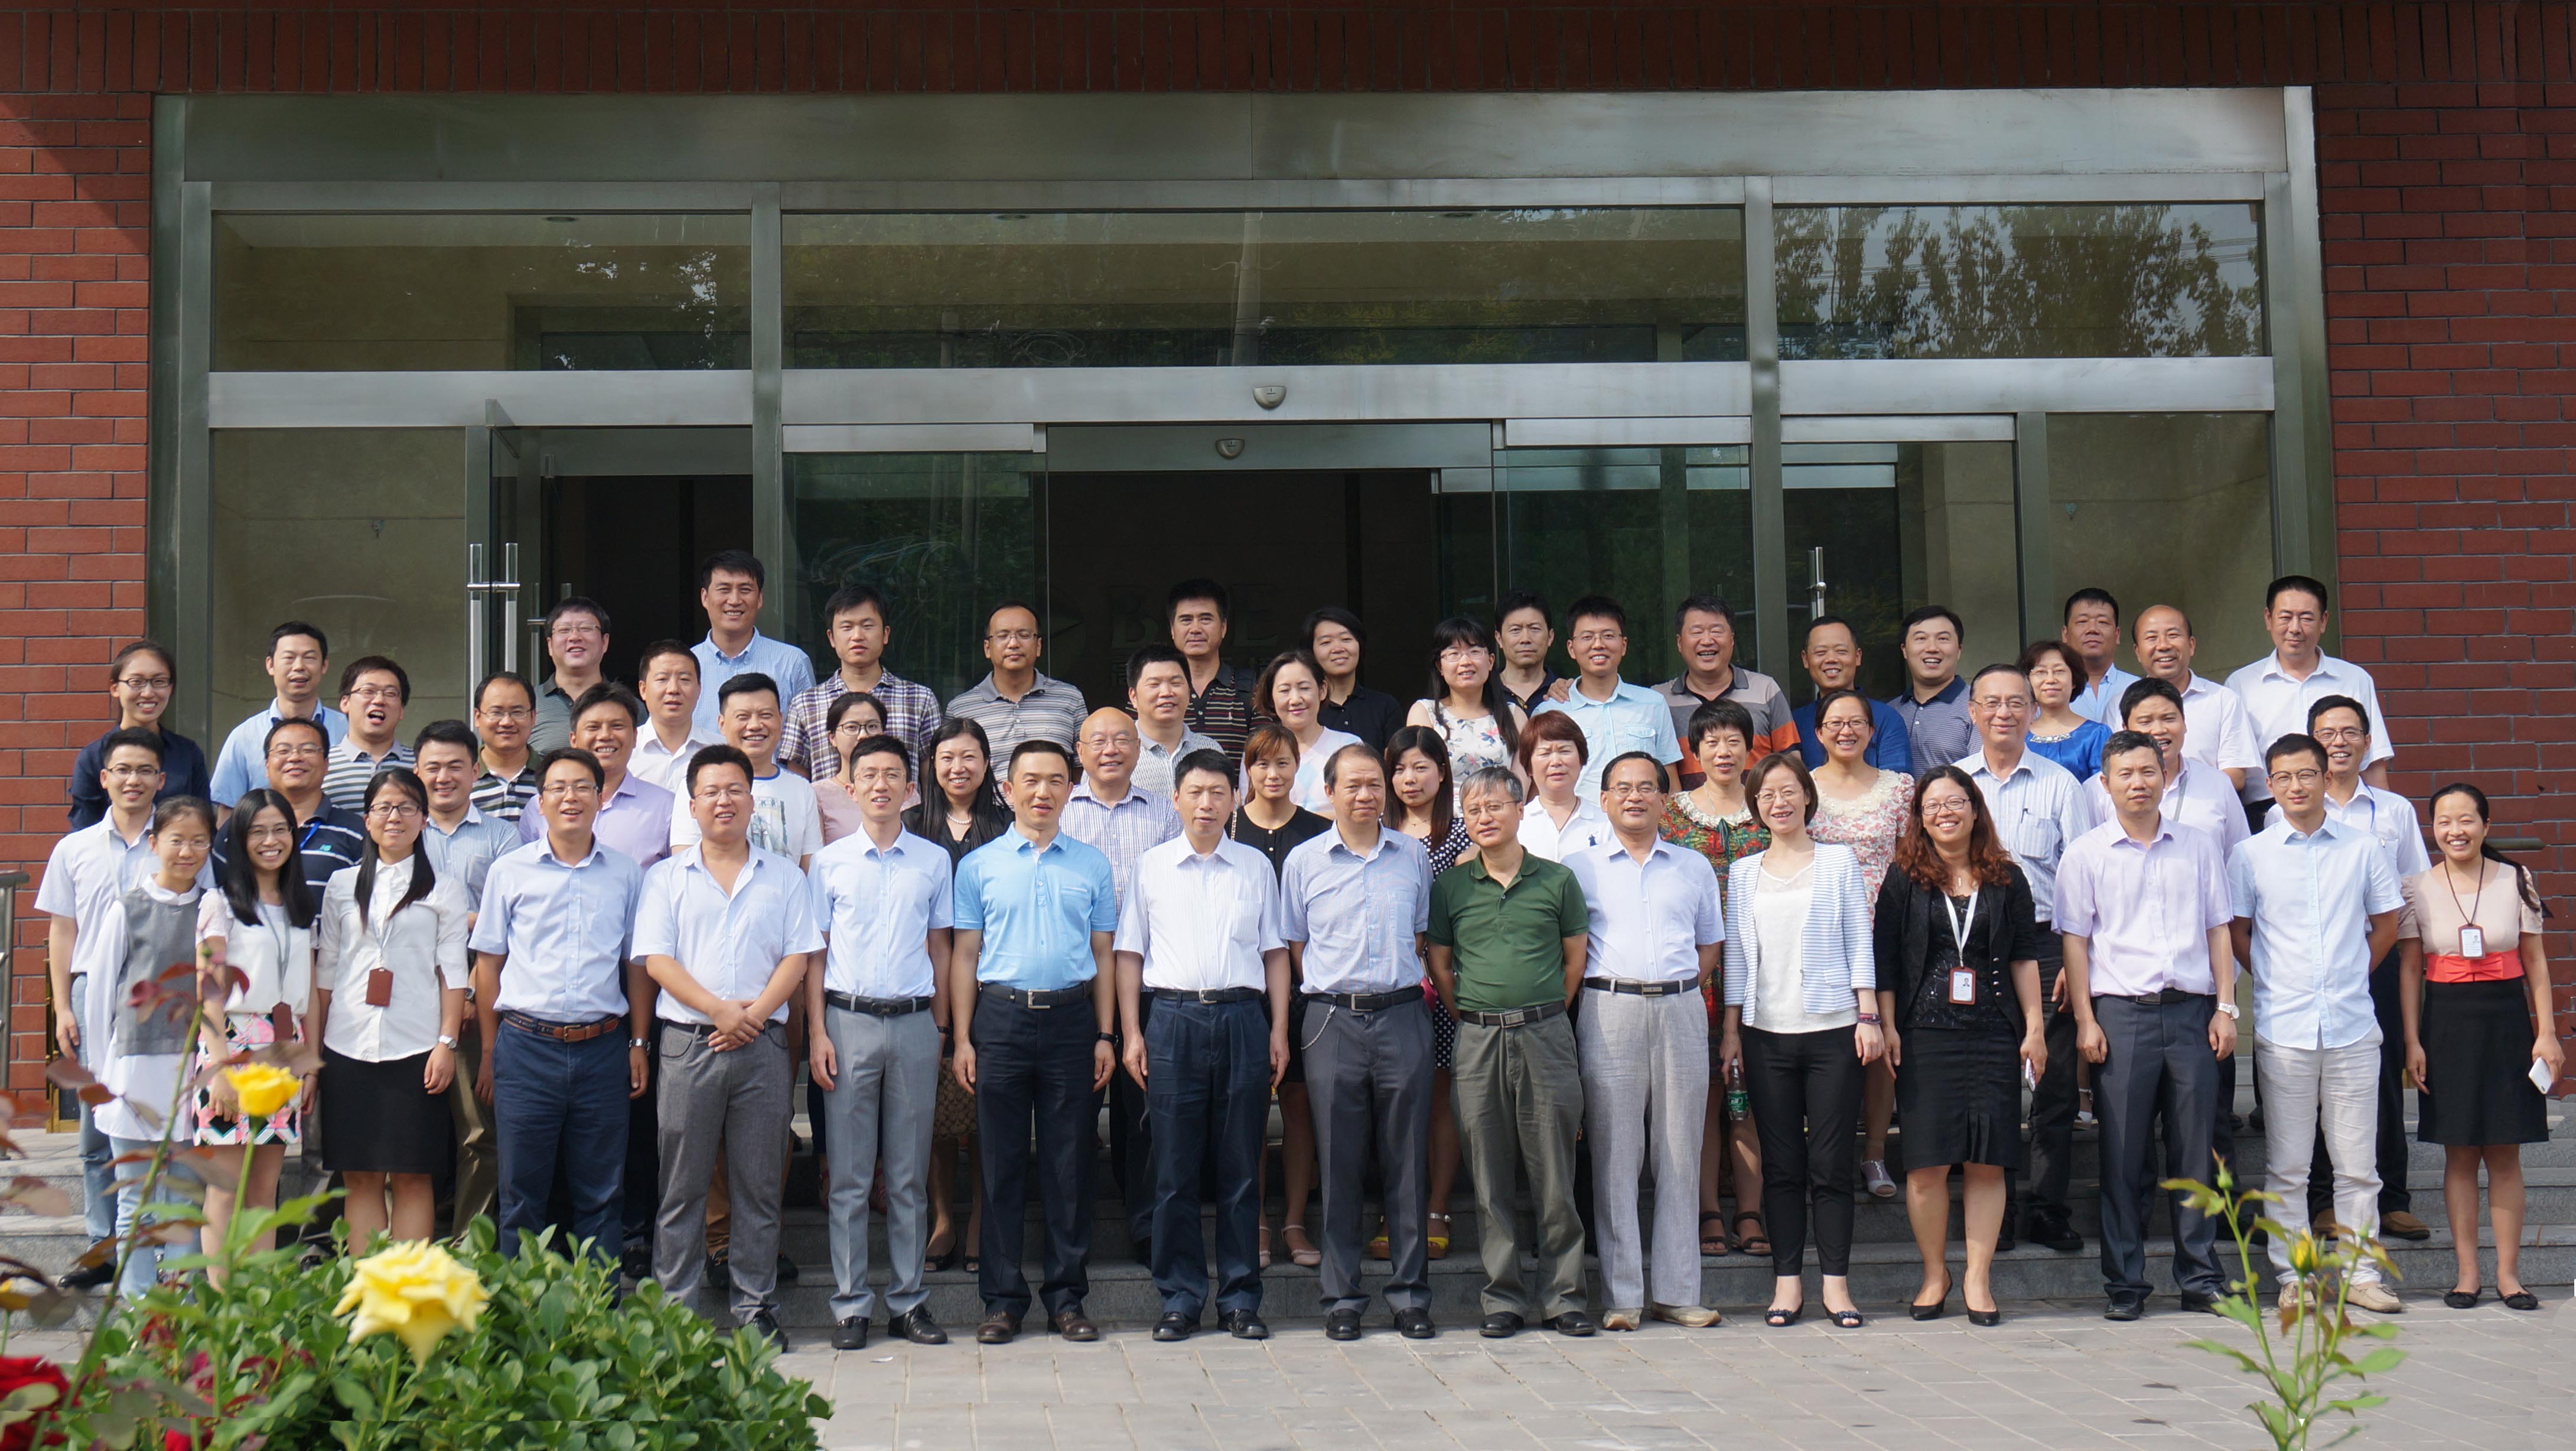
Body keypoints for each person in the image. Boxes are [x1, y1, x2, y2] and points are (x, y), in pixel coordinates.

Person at [636, 744, 819, 1350]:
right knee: (681, 1186)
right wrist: (718, 1010)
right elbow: (657, 959)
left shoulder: (785, 876)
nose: (723, 800)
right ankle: (674, 1313)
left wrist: (753, 1014)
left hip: (763, 1044)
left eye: (735, 789)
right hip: (688, 1044)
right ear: (692, 805)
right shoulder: (666, 877)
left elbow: (798, 955)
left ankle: (755, 1306)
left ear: (751, 800)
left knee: (758, 1185)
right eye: (711, 791)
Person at [2058, 730, 2238, 1320]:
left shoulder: (2197, 846)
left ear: (2165, 776)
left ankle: (2200, 1277)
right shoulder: (2085, 853)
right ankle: (2125, 1284)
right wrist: (2085, 1019)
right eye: (2125, 773)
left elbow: (2218, 929)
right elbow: (2075, 941)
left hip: (2191, 1013)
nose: (2138, 783)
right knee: (2122, 1154)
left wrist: (2226, 1007)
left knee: (2195, 1152)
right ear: (2104, 783)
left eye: (2147, 771)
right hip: (2120, 1015)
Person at [2227, 734, 2407, 1315]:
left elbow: (2385, 924)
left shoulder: (2362, 848)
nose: (2296, 786)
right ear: (2270, 784)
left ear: (2324, 776)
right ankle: (2294, 1274)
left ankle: (2360, 1273)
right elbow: (2237, 930)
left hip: (2352, 1025)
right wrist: (2273, 977)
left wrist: (2350, 972)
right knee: (2288, 1164)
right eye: (2283, 777)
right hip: (2284, 1028)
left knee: (2357, 1164)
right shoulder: (2250, 854)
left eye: (2306, 774)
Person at [1113, 750, 1290, 1342]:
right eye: (1195, 792)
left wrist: (1277, 1029)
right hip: (1172, 1019)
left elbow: (1274, 953)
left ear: (1234, 799)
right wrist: (1131, 1032)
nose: (1206, 803)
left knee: (1240, 1166)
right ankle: (1180, 1298)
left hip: (1242, 1017)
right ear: (1176, 799)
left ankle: (1239, 1298)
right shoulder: (1151, 866)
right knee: (1173, 1169)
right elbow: (1129, 954)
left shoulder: (1254, 867)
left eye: (1218, 792)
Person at [949, 739, 1119, 1346]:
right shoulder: (978, 866)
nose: (1042, 791)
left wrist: (1105, 1034)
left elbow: (1103, 953)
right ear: (1008, 788)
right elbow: (964, 955)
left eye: (1054, 780)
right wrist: (962, 1037)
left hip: (1072, 1020)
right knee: (998, 1163)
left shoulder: (1092, 865)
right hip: (1000, 1020)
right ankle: (1001, 1301)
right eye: (1030, 780)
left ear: (1070, 789)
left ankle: (1067, 1297)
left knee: (1069, 1162)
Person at [1874, 767, 2047, 1326]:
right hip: (1924, 1033)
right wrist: (1888, 1025)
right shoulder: (1904, 877)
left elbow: (2023, 956)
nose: (1944, 813)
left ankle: (1977, 1276)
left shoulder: (2007, 878)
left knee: (1987, 1161)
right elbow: (1885, 960)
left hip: (1993, 1032)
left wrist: (2034, 1027)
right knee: (1926, 1165)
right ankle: (1934, 1274)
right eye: (1932, 806)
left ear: (1975, 809)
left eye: (1954, 802)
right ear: (1919, 819)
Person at [1428, 767, 1594, 1339]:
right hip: (1477, 1039)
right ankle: (1501, 1297)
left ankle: (1564, 1297)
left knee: (1554, 1174)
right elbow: (1440, 964)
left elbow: (1574, 959)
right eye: (1473, 809)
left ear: (1520, 809)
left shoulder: (1557, 880)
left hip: (1546, 1034)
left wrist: (1542, 1010)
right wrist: (1473, 1014)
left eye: (1495, 805)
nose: (1485, 817)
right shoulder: (1450, 887)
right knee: (1488, 1175)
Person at [1281, 743, 1439, 1341]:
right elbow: (1296, 943)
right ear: (1328, 792)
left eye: (1374, 783)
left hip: (1401, 1014)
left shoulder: (1412, 855)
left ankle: (1409, 1295)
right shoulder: (1303, 860)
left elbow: (1420, 934)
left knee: (1407, 1161)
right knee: (1338, 1160)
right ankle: (1341, 1297)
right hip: (1331, 1021)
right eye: (1352, 785)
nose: (1365, 794)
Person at [470, 747, 651, 1261]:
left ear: (600, 797)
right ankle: (522, 1303)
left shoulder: (626, 873)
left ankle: (599, 1304)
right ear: (541, 801)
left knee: (602, 1193)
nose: (571, 798)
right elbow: (489, 965)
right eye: (558, 788)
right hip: (526, 1047)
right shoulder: (511, 871)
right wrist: (490, 1049)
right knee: (522, 1193)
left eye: (582, 787)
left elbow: (635, 965)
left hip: (602, 1048)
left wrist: (638, 1042)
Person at [1719, 753, 1879, 1330]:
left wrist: (1867, 1015)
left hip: (1832, 1030)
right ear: (1755, 807)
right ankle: (1786, 1282)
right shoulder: (1744, 872)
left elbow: (1858, 937)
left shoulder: (1837, 861)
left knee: (1831, 1164)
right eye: (1766, 795)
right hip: (1766, 1034)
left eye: (1787, 791)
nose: (1778, 802)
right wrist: (1731, 1031)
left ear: (1807, 797)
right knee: (1781, 1165)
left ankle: (1835, 1284)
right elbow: (1736, 957)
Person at [1566, 752, 1724, 1331]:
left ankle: (1678, 1292)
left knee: (1679, 1149)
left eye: (1646, 787)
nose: (1634, 796)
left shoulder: (1691, 865)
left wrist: (1677, 988)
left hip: (1681, 1006)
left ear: (1664, 799)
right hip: (1609, 1007)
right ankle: (1623, 1296)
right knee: (1615, 1154)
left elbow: (1709, 942)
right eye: (1622, 788)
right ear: (1604, 799)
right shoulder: (1577, 868)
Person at [810, 733, 956, 1350]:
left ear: (910, 788)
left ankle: (908, 1301)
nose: (880, 785)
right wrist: (816, 1030)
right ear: (850, 787)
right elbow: (815, 954)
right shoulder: (829, 862)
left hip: (915, 1022)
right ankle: (850, 1306)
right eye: (868, 774)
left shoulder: (933, 860)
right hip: (847, 1023)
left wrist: (942, 1028)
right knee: (848, 1176)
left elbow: (941, 947)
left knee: (907, 1175)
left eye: (892, 774)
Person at [2398, 782, 2561, 1312]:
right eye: (2444, 821)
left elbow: (2535, 961)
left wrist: (2546, 1032)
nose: (2455, 830)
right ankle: (2466, 1274)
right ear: (2432, 831)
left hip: (2507, 1022)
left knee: (2505, 1152)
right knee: (2460, 1152)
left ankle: (2509, 1276)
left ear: (2485, 826)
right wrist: (2411, 1039)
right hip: (2445, 1023)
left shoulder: (2515, 879)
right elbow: (2409, 969)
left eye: (2466, 820)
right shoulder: (2416, 888)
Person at [1955, 663, 2098, 1255]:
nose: (2003, 713)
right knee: (1986, 1083)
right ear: (1972, 712)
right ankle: (1997, 1210)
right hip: (1973, 947)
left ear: (2033, 711)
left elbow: (2081, 877)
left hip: (2045, 944)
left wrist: (2072, 956)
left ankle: (2046, 1207)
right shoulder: (1955, 784)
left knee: (2054, 1082)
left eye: (2016, 702)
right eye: (1990, 702)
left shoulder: (2060, 784)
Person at [2282, 694, 2433, 1241]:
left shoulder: (2392, 812)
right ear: (2311, 743)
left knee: (2382, 1077)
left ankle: (2391, 1199)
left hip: (2378, 958)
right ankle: (2323, 1202)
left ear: (2368, 743)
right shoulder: (2286, 807)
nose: (2339, 742)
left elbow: (2413, 892)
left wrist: (2380, 963)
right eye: (2327, 733)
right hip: (2311, 965)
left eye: (2350, 732)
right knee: (2316, 1081)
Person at [312, 769, 470, 1248]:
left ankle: (408, 1282)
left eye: (406, 807)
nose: (394, 817)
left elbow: (453, 973)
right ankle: (367, 1281)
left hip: (417, 1048)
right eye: (383, 807)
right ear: (367, 819)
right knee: (359, 1175)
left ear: (423, 819)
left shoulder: (443, 889)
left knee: (412, 1175)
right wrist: (314, 1055)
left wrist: (446, 1043)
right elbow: (326, 971)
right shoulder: (342, 885)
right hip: (347, 1044)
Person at [43, 730, 175, 1286]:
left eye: (145, 770)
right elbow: (62, 930)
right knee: (97, 1129)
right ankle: (104, 1248)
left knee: (160, 1120)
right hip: (91, 994)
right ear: (104, 779)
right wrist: (61, 1007)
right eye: (123, 770)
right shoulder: (74, 849)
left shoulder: (176, 842)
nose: (133, 780)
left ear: (161, 780)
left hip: (159, 997)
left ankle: (159, 1249)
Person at [1063, 707, 1183, 1265]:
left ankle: (1145, 1226)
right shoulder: (1059, 809)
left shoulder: (1165, 812)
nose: (1110, 750)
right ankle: (1073, 1232)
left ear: (1138, 750)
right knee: (1074, 1113)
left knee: (1143, 1112)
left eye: (1121, 740)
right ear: (1079, 751)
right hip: (1075, 983)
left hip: (1147, 979)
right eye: (1098, 741)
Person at [1656, 701, 1769, 1262]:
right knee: (1699, 1094)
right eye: (1711, 742)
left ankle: (1750, 1210)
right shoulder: (1671, 815)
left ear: (1750, 748)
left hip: (1763, 968)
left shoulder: (1769, 807)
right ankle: (1706, 1209)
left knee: (1751, 1093)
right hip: (1693, 971)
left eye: (1733, 741)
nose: (1723, 752)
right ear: (1693, 752)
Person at [900, 717, 1012, 1276]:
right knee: (937, 1107)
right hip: (926, 986)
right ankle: (943, 1215)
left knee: (987, 1109)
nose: (957, 767)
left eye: (969, 757)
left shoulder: (1009, 826)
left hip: (995, 987)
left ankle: (981, 1217)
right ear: (931, 765)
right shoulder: (910, 827)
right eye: (946, 757)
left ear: (987, 764)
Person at [191, 788, 317, 1273]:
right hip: (233, 1045)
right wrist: (220, 1069)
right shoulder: (220, 903)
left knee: (265, 1189)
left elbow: (308, 991)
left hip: (285, 1049)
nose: (270, 841)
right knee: (226, 1188)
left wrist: (311, 1065)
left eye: (280, 830)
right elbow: (209, 991)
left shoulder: (300, 905)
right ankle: (220, 1298)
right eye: (258, 831)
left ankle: (259, 1301)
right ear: (239, 840)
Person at [94, 796, 215, 1297]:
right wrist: (102, 1074)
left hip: (193, 1070)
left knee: (186, 1197)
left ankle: (183, 1308)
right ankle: (139, 1309)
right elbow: (101, 993)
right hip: (135, 1068)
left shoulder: (214, 907)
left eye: (199, 841)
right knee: (136, 1201)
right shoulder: (129, 908)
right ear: (153, 843)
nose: (187, 852)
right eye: (176, 840)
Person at [410, 719, 522, 1235]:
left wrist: (474, 992)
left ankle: (470, 1244)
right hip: (407, 999)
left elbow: (507, 925)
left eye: (455, 766)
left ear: (475, 771)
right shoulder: (402, 830)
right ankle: (411, 1238)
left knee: (478, 1130)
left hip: (477, 992)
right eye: (433, 767)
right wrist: (464, 917)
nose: (444, 777)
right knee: (408, 1129)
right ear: (417, 771)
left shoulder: (502, 836)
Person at [1229, 722, 1333, 1273]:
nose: (1272, 774)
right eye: (1261, 763)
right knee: (1248, 1109)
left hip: (1305, 990)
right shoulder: (1227, 826)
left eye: (1283, 763)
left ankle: (1294, 1220)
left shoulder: (1321, 830)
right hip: (1242, 989)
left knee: (1298, 1106)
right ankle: (1256, 1221)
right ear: (1247, 770)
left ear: (1298, 767)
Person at [1805, 685, 1914, 1200]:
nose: (1845, 731)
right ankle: (1822, 1157)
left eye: (1856, 723)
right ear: (1818, 732)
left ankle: (1874, 1154)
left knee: (1882, 1044)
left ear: (1872, 732)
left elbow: (1910, 860)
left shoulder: (1899, 788)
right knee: (1827, 1047)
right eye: (1835, 723)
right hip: (1820, 934)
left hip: (1885, 929)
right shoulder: (1802, 787)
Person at [1382, 726, 1468, 1265]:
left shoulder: (1461, 836)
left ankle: (1436, 1207)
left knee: (1438, 1098)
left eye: (1420, 767)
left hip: (1441, 984)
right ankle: (1395, 1207)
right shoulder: (1375, 830)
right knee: (1392, 1103)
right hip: (1386, 987)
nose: (1408, 779)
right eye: (1398, 769)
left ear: (1441, 772)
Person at [2226, 575, 2396, 809]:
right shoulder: (2240, 684)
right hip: (2267, 809)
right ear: (2268, 618)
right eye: (2285, 617)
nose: (2295, 629)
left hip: (2340, 806)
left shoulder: (2354, 679)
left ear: (2323, 621)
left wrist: (2384, 817)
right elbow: (2235, 767)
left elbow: (2372, 763)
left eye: (2306, 618)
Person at [782, 583, 943, 782]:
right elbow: (796, 784)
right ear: (831, 638)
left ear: (885, 634)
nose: (857, 636)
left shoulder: (920, 700)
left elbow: (933, 781)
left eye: (867, 626)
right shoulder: (805, 705)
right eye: (847, 627)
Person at [1533, 595, 1682, 795]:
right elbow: (1539, 788)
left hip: (1643, 815)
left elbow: (1670, 783)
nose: (1598, 645)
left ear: (1624, 645)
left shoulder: (1652, 704)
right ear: (1571, 648)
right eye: (1587, 637)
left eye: (1608, 636)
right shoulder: (1551, 712)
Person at [669, 674, 820, 868]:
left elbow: (810, 869)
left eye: (766, 715)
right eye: (743, 717)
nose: (755, 725)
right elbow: (684, 864)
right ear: (722, 724)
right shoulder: (697, 786)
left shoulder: (802, 789)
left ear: (780, 719)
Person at [2094, 678, 2249, 858]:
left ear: (2184, 723)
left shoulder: (2217, 783)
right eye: (2145, 721)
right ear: (2125, 729)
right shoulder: (2098, 790)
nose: (2159, 730)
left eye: (2169, 719)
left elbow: (2239, 858)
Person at [529, 684, 676, 868]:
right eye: (593, 727)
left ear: (635, 736)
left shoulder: (665, 806)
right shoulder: (540, 807)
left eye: (617, 726)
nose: (605, 736)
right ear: (573, 739)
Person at [1653, 595, 1792, 786]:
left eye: (1716, 631)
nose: (1707, 640)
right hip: (1686, 806)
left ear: (1732, 639)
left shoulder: (1766, 690)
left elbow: (1790, 761)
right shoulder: (1659, 700)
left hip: (1758, 805)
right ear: (1679, 643)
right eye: (1697, 632)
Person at [68, 642, 207, 828]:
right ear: (115, 688)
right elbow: (83, 831)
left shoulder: (188, 754)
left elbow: (203, 824)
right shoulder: (93, 757)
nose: (148, 693)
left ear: (171, 688)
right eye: (136, 682)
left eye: (159, 682)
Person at [209, 622, 347, 808]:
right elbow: (228, 810)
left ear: (324, 665)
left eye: (309, 658)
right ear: (270, 665)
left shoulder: (347, 730)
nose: (299, 666)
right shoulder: (244, 736)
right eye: (289, 658)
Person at [220, 717, 367, 883]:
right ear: (267, 766)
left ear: (326, 765)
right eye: (283, 751)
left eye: (308, 750)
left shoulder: (355, 831)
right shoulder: (236, 828)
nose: (295, 758)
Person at [2132, 605, 2261, 792]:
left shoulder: (2224, 700)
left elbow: (2235, 775)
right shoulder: (2120, 705)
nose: (2163, 646)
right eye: (2152, 638)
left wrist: (2185, 800)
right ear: (2137, 652)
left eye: (2173, 635)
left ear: (2191, 645)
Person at [689, 551, 815, 734]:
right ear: (705, 598)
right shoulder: (686, 665)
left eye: (745, 590)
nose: (734, 600)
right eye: (724, 589)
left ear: (760, 598)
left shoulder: (792, 662)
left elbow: (811, 737)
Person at [1406, 617, 1528, 806]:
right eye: (1454, 654)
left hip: (1500, 815)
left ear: (1490, 661)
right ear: (1440, 666)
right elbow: (1419, 778)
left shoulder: (1514, 716)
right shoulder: (1424, 713)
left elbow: (1520, 787)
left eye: (1474, 652)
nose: (1465, 661)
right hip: (1443, 818)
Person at [947, 601, 1087, 761]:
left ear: (1038, 646)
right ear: (987, 648)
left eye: (1024, 635)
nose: (1013, 644)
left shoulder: (1070, 699)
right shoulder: (960, 710)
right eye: (1003, 636)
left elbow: (1083, 769)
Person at [1239, 650, 1362, 816]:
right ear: (1271, 697)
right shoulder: (1259, 749)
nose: (1296, 699)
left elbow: (1360, 813)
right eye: (1284, 691)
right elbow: (1251, 812)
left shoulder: (1349, 747)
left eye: (1304, 688)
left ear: (1322, 690)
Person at [1790, 616, 1911, 773]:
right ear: (1806, 660)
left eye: (1841, 651)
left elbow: (1898, 781)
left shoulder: (1886, 718)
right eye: (1820, 652)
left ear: (1858, 656)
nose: (1831, 659)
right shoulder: (1794, 723)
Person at [1169, 579, 1254, 759]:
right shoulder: (1154, 693)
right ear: (1172, 630)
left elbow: (1266, 757)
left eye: (1205, 619)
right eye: (1186, 620)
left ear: (1223, 628)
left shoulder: (1251, 690)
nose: (1195, 629)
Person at [1514, 711, 1611, 861]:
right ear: (1529, 766)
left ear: (1581, 759)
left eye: (1565, 751)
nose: (1556, 762)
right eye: (1545, 753)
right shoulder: (1517, 823)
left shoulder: (1606, 823)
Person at [1885, 606, 1973, 770]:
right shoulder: (1890, 712)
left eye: (1943, 639)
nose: (1932, 648)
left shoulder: (1978, 707)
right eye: (1921, 638)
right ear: (1904, 650)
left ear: (1959, 650)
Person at [321, 657, 414, 812]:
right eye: (368, 691)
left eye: (390, 694)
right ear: (345, 703)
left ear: (401, 711)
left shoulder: (420, 765)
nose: (379, 700)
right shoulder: (322, 765)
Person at [1126, 645, 1219, 798]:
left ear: (1189, 691)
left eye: (1176, 683)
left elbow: (1226, 809)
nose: (1166, 693)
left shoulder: (1210, 748)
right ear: (1133, 696)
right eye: (1154, 684)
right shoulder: (1117, 753)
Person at [1308, 607, 1405, 751]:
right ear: (1311, 652)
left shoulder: (1385, 707)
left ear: (1360, 646)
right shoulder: (1306, 709)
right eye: (1326, 642)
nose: (1338, 649)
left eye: (1346, 639)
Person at [631, 641, 721, 794]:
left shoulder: (721, 751)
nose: (673, 689)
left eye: (684, 679)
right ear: (643, 689)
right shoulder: (625, 750)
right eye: (662, 679)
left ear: (699, 689)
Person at [530, 597, 613, 756]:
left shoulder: (629, 707)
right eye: (564, 630)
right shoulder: (528, 705)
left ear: (605, 642)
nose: (575, 637)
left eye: (586, 628)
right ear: (550, 645)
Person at [2020, 640, 2110, 782]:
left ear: (2074, 680)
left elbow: (2103, 790)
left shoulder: (2097, 735)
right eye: (2040, 672)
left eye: (2059, 671)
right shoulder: (2018, 735)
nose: (2050, 680)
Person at [812, 691, 890, 845]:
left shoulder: (902, 789)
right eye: (852, 727)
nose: (863, 735)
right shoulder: (816, 795)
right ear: (832, 738)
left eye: (872, 726)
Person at [470, 672, 542, 823]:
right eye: (496, 712)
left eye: (517, 712)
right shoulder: (462, 777)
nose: (507, 722)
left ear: (533, 717)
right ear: (477, 717)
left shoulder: (552, 775)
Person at [2060, 587, 2138, 724]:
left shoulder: (2136, 687)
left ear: (2117, 634)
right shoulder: (2051, 690)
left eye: (2102, 622)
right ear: (2065, 634)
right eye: (2082, 622)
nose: (2092, 629)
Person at [1493, 589, 1566, 717]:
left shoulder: (1564, 692)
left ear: (1550, 637)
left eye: (1535, 629)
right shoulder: (1485, 692)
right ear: (1499, 638)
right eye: (1515, 630)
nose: (1526, 639)